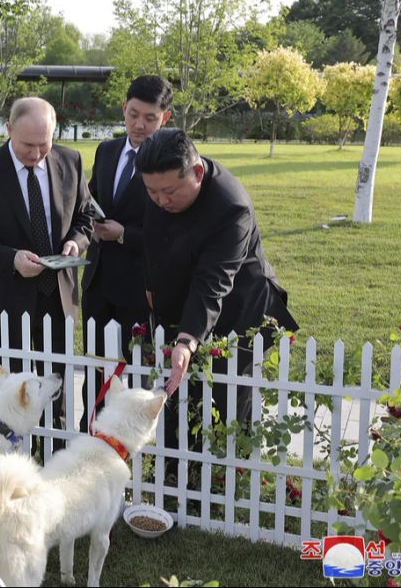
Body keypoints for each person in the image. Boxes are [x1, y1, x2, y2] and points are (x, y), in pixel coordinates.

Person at [136, 128, 299, 461]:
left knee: (229, 404)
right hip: (186, 305)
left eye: (169, 192)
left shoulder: (231, 207)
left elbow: (214, 281)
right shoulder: (159, 186)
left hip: (239, 312)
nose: (160, 201)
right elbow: (153, 240)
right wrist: (152, 288)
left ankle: (231, 479)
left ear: (196, 173)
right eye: (152, 192)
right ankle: (178, 478)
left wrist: (187, 339)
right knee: (179, 399)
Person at [0, 97, 93, 449]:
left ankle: (56, 458)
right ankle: (15, 459)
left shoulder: (70, 160)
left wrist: (76, 243)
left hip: (59, 296)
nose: (36, 154)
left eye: (43, 144)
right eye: (27, 145)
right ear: (9, 130)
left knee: (56, 386)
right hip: (8, 298)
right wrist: (11, 258)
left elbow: (85, 217)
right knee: (13, 390)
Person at [79, 75, 173, 432]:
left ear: (165, 118)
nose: (139, 124)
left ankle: (131, 440)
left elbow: (171, 231)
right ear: (124, 108)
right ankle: (91, 431)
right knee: (97, 366)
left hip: (141, 283)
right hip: (98, 280)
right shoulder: (107, 150)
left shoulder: (171, 159)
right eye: (133, 114)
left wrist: (123, 235)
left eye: (150, 118)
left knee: (135, 372)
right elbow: (90, 199)